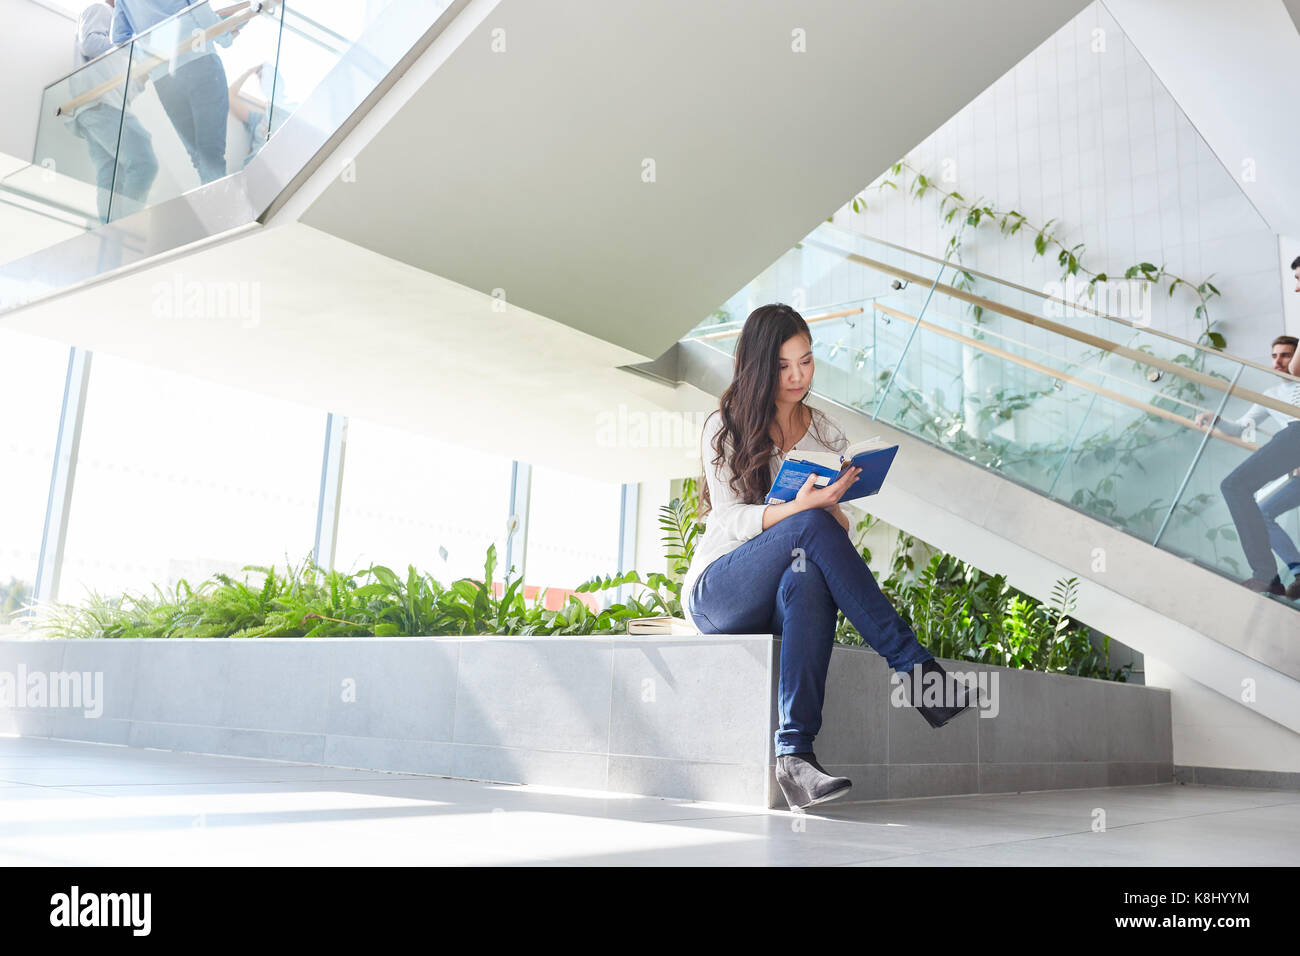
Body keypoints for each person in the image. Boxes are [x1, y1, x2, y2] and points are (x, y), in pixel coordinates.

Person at [682, 303, 976, 812]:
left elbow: (836, 531)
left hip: (783, 584)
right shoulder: (722, 427)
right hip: (720, 590)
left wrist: (831, 508)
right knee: (809, 526)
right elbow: (729, 520)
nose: (798, 376)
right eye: (783, 366)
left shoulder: (827, 434)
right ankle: (916, 670)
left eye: (807, 361)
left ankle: (795, 759)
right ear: (757, 366)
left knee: (810, 577)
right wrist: (802, 509)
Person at [1209, 260, 1300, 596]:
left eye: (1285, 355)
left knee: (1235, 485)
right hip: (1293, 443)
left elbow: (1296, 370)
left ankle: (1266, 573)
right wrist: (1216, 421)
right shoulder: (1270, 394)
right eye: (1274, 356)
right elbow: (1240, 427)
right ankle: (1281, 572)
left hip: (1297, 433)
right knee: (1245, 495)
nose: (1279, 362)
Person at [111, 0, 235, 185]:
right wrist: (226, 37)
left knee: (199, 156)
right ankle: (219, 209)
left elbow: (119, 39)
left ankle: (213, 206)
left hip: (165, 77)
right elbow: (200, 10)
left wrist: (151, 57)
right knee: (211, 150)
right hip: (199, 62)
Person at [69, 0, 158, 222]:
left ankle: (110, 234)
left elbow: (126, 90)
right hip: (101, 106)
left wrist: (142, 75)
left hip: (95, 109)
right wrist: (132, 52)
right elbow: (89, 43)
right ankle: (126, 226)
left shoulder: (119, 36)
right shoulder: (102, 10)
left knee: (111, 179)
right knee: (144, 162)